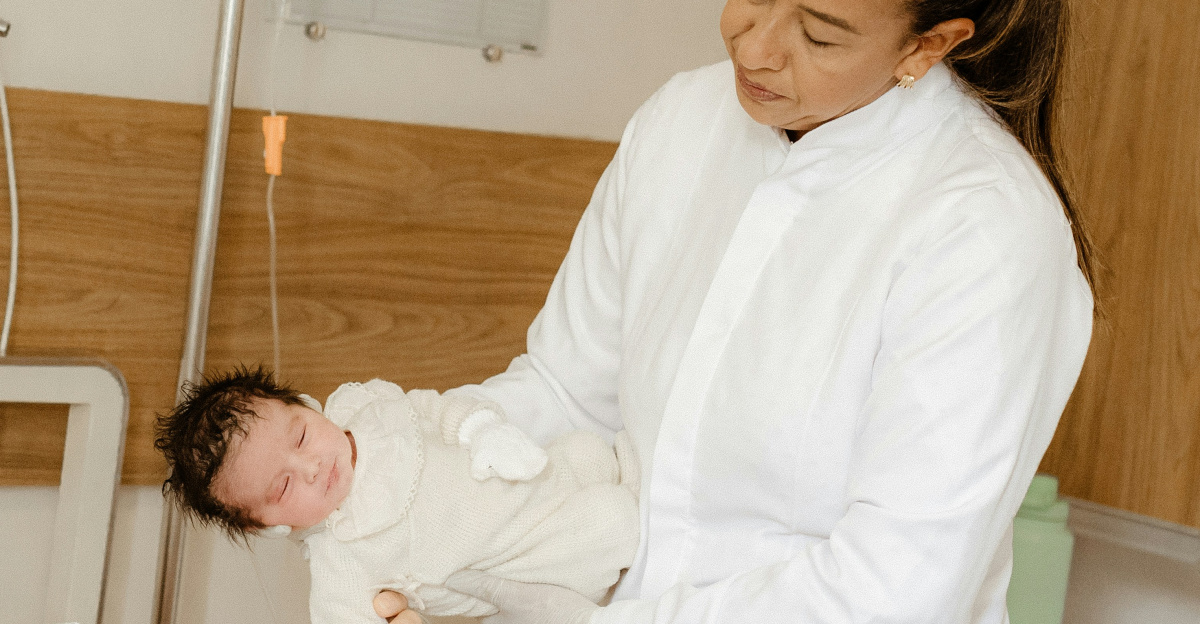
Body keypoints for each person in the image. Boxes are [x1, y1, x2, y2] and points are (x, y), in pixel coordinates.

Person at [374, 0, 1097, 622]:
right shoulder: (682, 120)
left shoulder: (984, 226)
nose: (752, 46)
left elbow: (891, 589)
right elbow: (566, 393)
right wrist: (386, 475)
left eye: (819, 37)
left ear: (927, 46)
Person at [153, 367, 639, 623]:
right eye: (283, 487)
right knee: (610, 522)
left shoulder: (364, 406)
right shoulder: (341, 560)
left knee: (587, 451)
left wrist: (481, 428)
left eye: (300, 436)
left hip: (527, 479)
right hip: (529, 561)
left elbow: (433, 408)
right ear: (270, 526)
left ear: (306, 405)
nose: (312, 466)